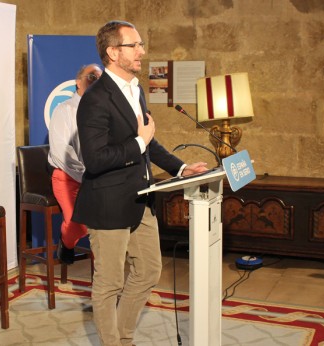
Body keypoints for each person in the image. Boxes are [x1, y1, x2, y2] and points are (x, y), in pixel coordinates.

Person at [72, 21, 208, 346]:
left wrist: (181, 168)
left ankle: (122, 337)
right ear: (112, 52)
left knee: (148, 271)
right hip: (108, 205)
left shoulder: (136, 89)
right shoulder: (95, 99)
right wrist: (138, 142)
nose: (142, 52)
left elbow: (150, 142)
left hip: (140, 199)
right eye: (135, 45)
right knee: (109, 284)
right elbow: (96, 159)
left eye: (141, 44)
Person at [48, 63, 103, 264]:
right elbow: (61, 150)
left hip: (96, 178)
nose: (96, 81)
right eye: (91, 77)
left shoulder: (102, 111)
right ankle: (66, 242)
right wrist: (85, 172)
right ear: (78, 82)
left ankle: (104, 275)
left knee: (104, 224)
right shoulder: (65, 110)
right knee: (78, 224)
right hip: (68, 177)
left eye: (100, 78)